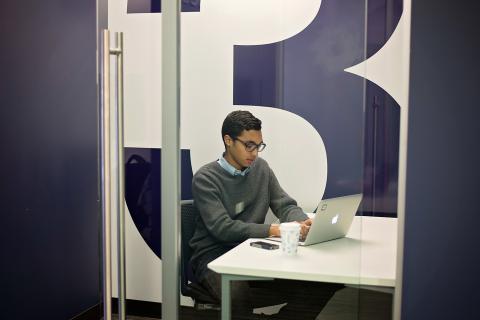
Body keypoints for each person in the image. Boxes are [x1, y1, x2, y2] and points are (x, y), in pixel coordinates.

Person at [189, 110, 340, 319]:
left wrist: (302, 221)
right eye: (248, 145)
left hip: (251, 251)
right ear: (228, 140)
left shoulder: (261, 168)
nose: (254, 153)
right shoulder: (206, 178)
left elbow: (285, 205)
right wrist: (275, 230)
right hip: (213, 256)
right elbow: (223, 228)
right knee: (238, 295)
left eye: (258, 146)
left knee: (322, 283)